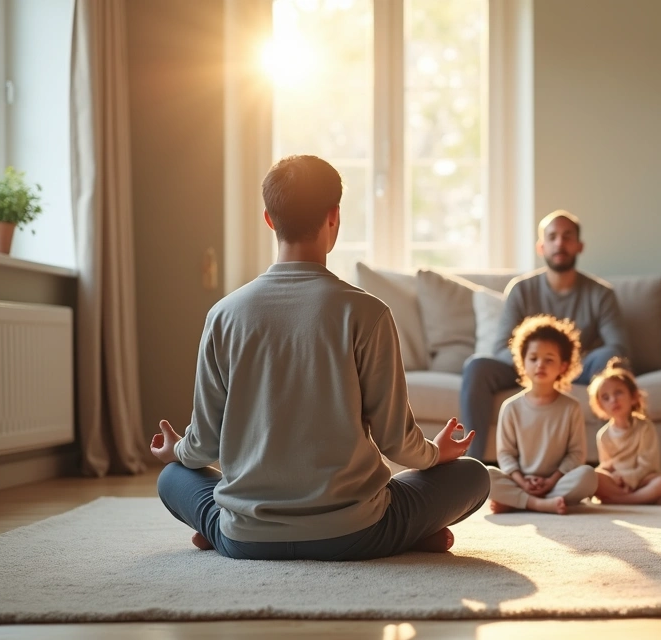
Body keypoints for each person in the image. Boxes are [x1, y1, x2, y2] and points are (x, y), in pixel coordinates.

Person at [149, 154, 490, 560]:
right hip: (355, 533)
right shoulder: (368, 312)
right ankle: (408, 535)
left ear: (269, 220)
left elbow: (203, 445)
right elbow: (396, 442)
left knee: (173, 477)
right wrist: (435, 453)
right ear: (335, 217)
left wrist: (178, 451)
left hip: (247, 538)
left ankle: (216, 529)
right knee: (474, 475)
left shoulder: (223, 314)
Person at [460, 210, 629, 461]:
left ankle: (617, 465)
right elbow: (501, 347)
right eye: (552, 237)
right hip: (525, 369)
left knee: (609, 358)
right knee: (477, 366)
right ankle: (471, 464)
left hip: (575, 369)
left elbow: (618, 348)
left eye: (567, 236)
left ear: (579, 246)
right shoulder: (521, 289)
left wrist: (562, 367)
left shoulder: (601, 294)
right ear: (541, 246)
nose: (559, 243)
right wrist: (538, 365)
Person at [487, 314, 599, 514]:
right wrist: (521, 480)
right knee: (485, 475)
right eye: (533, 358)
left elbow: (576, 454)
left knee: (588, 476)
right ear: (523, 362)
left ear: (563, 366)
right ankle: (539, 503)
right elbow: (505, 454)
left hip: (557, 482)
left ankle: (519, 502)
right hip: (519, 481)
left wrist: (551, 481)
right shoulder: (511, 407)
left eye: (549, 359)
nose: (540, 365)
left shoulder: (571, 407)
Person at [588, 358, 661, 504]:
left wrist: (628, 478)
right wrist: (614, 478)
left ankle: (625, 500)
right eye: (605, 398)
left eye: (618, 393)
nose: (613, 400)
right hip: (618, 483)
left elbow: (648, 465)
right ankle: (635, 499)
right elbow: (606, 466)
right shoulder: (603, 435)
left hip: (643, 479)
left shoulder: (646, 427)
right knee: (593, 475)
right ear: (600, 406)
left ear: (633, 397)